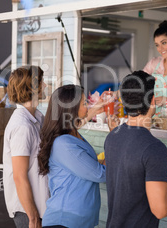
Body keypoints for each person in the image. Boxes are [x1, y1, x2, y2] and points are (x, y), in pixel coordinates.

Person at [104, 70, 167, 228]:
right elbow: (160, 210)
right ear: (153, 101)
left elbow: (130, 177)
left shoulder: (112, 138)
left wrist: (157, 169)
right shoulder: (154, 148)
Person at [37, 85, 117, 228]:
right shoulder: (64, 144)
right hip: (64, 221)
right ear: (71, 108)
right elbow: (101, 174)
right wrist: (114, 136)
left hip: (77, 221)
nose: (88, 106)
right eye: (85, 103)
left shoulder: (72, 135)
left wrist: (97, 107)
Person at [3, 66, 49, 227]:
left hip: (40, 206)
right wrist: (33, 217)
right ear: (33, 87)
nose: (45, 85)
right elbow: (19, 176)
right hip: (27, 211)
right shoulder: (22, 126)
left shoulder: (36, 117)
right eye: (42, 82)